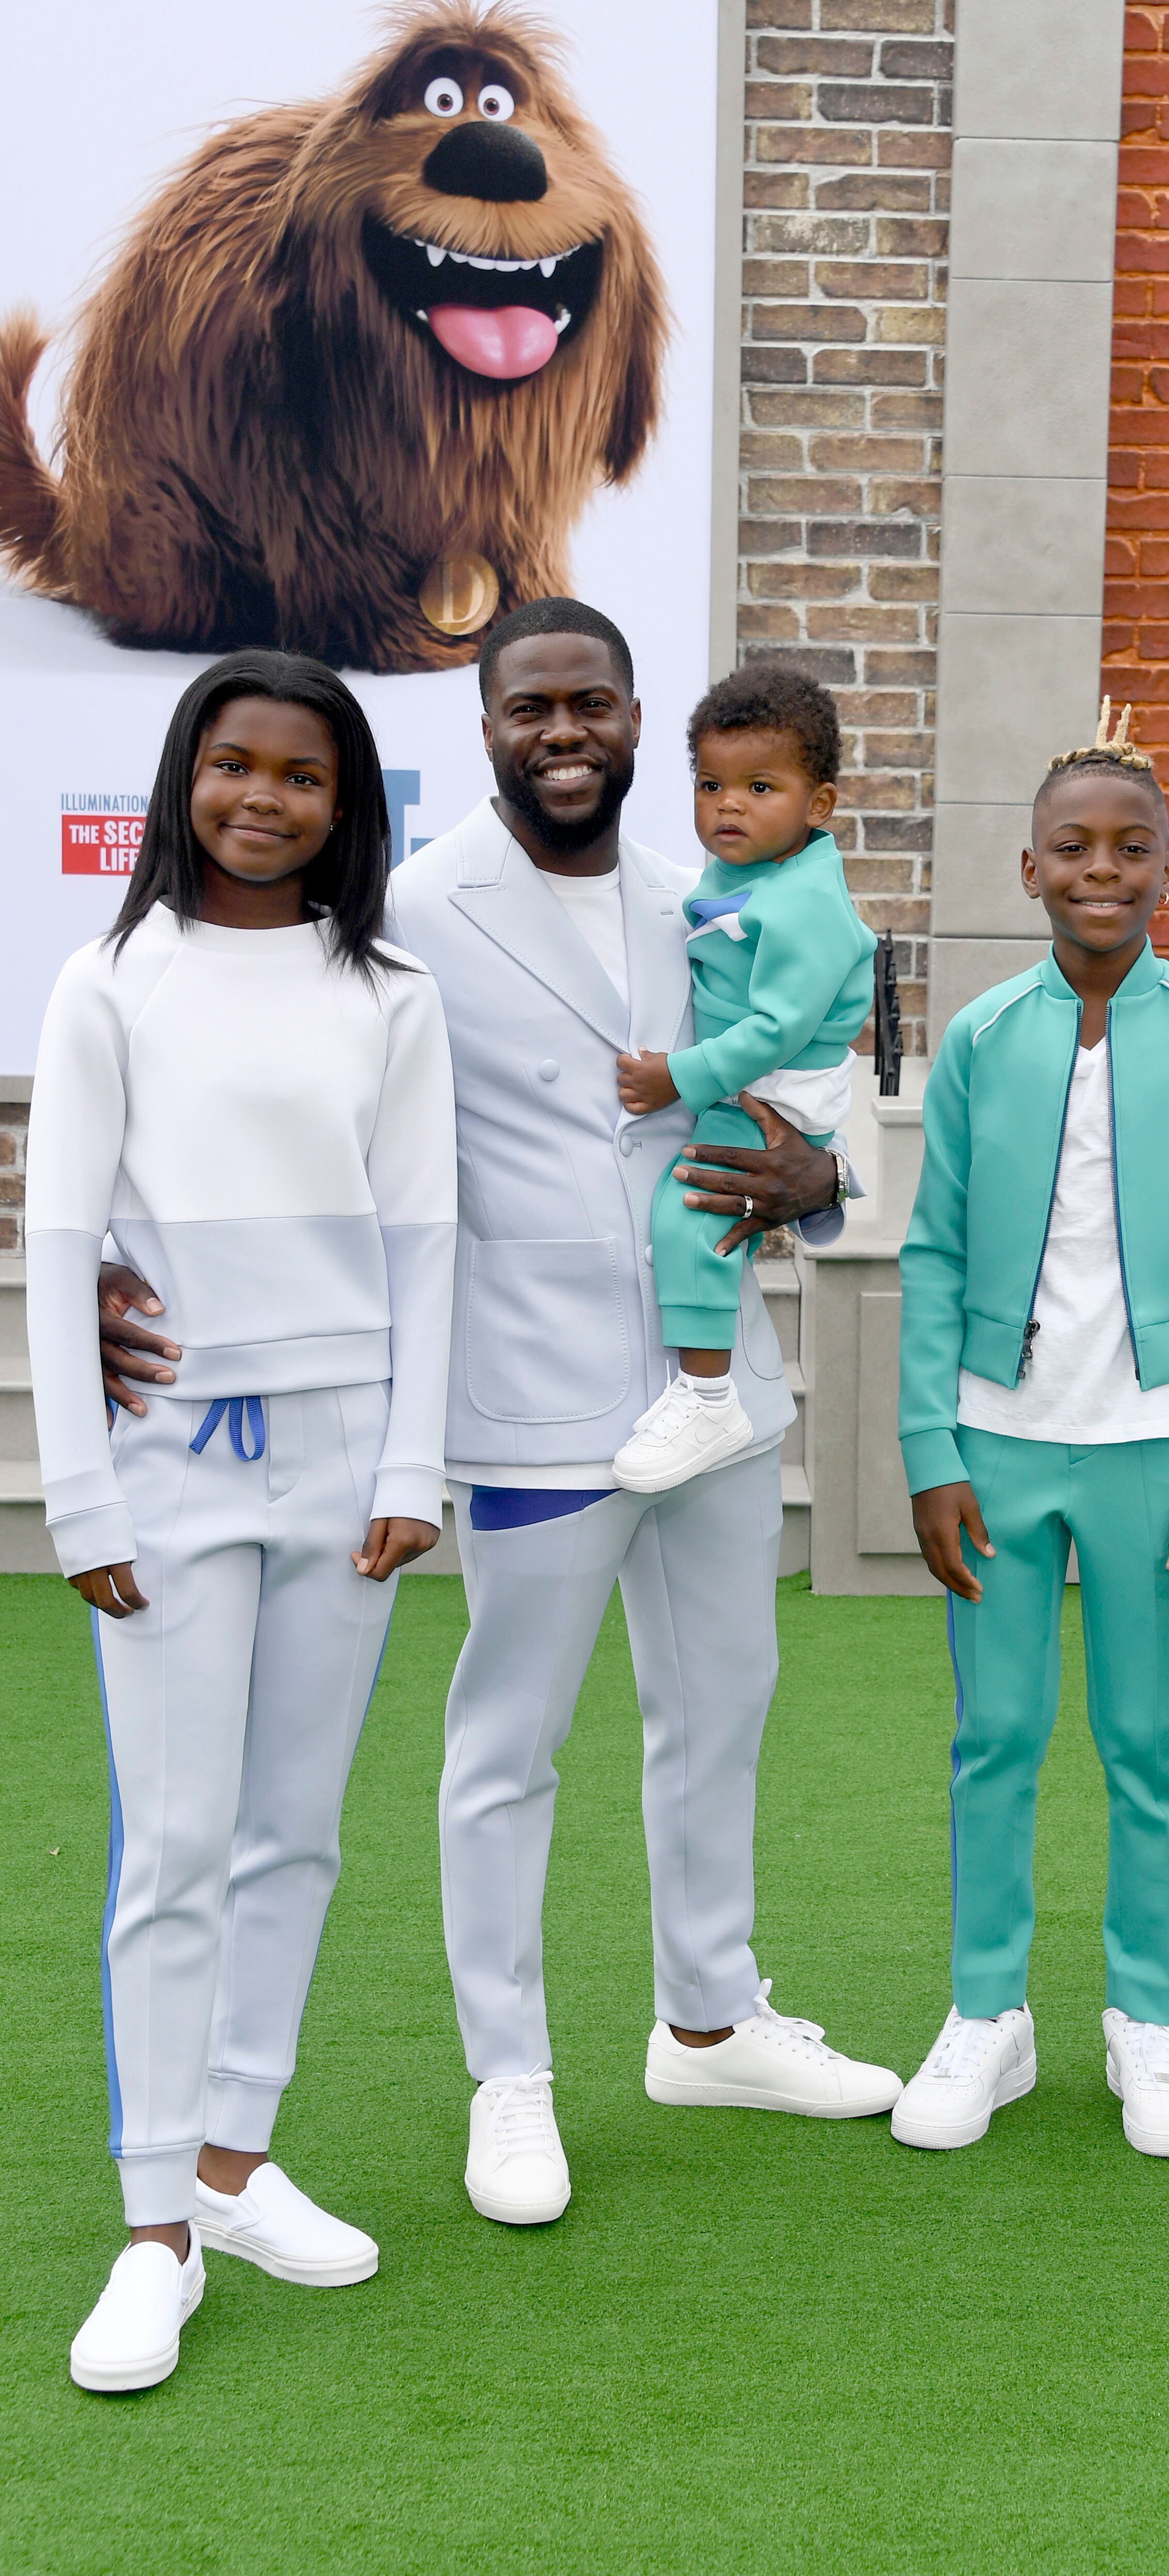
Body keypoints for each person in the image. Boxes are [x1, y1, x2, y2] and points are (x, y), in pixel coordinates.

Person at [101, 600, 902, 2230]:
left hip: (714, 1387)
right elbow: (261, 1091)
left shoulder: (722, 888)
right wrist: (115, 1259)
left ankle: (711, 2015)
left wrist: (831, 1184)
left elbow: (820, 1080)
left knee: (721, 1708)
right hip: (525, 1397)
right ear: (483, 728)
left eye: (592, 704)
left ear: (631, 719)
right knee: (506, 1748)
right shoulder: (405, 910)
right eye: (530, 706)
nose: (563, 732)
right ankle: (510, 2077)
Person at [30, 651, 456, 2391]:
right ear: (183, 777)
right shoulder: (109, 978)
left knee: (295, 1834)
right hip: (169, 1468)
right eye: (233, 765)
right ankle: (153, 2232)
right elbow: (59, 1249)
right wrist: (80, 1490)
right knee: (178, 1842)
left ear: (345, 802)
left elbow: (427, 1239)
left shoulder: (392, 990)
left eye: (302, 774)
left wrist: (408, 1467)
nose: (263, 798)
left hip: (343, 1459)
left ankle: (234, 2162)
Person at [891, 705, 1169, 2154]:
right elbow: (933, 1254)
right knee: (994, 1732)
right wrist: (933, 1452)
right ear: (1028, 870)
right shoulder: (985, 1041)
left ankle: (1150, 2024)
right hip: (998, 1450)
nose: (1101, 870)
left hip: (1159, 1453)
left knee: (1143, 1741)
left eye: (1132, 848)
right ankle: (986, 2016)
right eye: (1074, 848)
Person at [613, 664, 876, 1494]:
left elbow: (777, 1029)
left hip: (774, 1091)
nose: (727, 805)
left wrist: (677, 1079)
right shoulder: (751, 873)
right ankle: (695, 1384)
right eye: (709, 784)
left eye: (759, 786)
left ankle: (706, 1394)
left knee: (691, 1206)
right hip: (755, 1077)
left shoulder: (802, 903)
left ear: (818, 805)